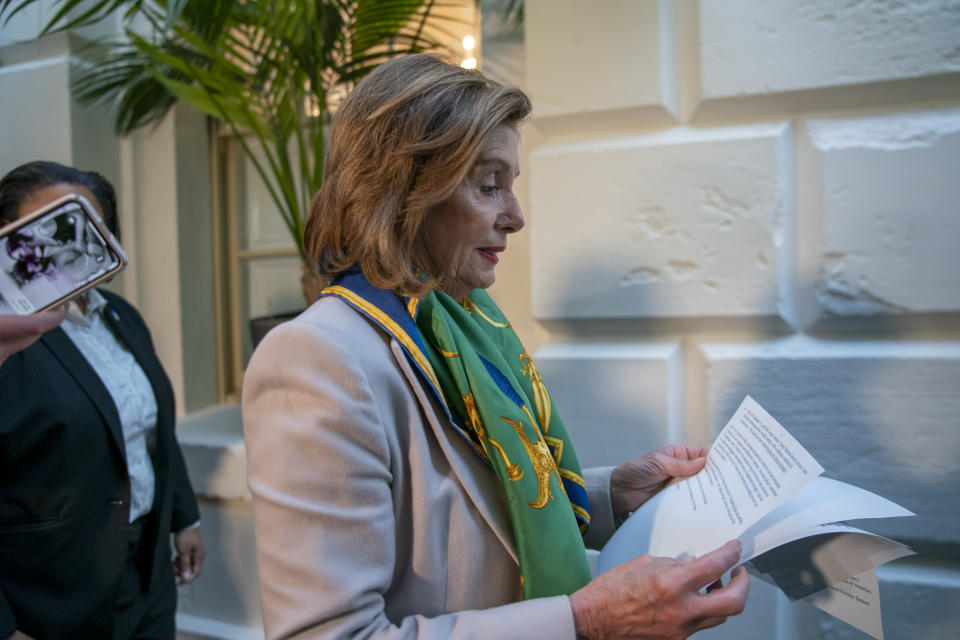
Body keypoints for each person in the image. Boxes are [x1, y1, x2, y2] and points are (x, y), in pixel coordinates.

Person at [242, 54, 749, 640]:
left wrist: (614, 497)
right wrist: (586, 620)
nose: (516, 217)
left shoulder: (462, 324)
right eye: (489, 187)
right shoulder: (314, 359)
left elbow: (482, 506)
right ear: (406, 190)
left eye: (511, 188)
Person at [0, 161, 204, 640]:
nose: (68, 246)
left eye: (85, 228)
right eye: (50, 228)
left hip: (146, 574)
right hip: (46, 596)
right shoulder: (7, 341)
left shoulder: (123, 317)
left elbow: (153, 429)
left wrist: (183, 518)